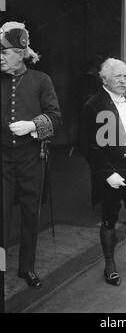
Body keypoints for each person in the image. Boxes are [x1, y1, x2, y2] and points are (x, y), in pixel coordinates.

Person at [80, 58, 126, 286]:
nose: (123, 80)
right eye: (118, 76)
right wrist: (106, 173)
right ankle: (110, 265)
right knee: (109, 217)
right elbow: (88, 145)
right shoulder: (93, 105)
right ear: (105, 79)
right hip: (111, 172)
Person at [0, 21, 62, 288]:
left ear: (20, 52)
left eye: (4, 52)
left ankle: (27, 267)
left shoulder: (41, 80)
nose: (0, 57)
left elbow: (56, 117)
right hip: (2, 158)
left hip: (30, 158)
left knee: (29, 214)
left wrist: (33, 125)